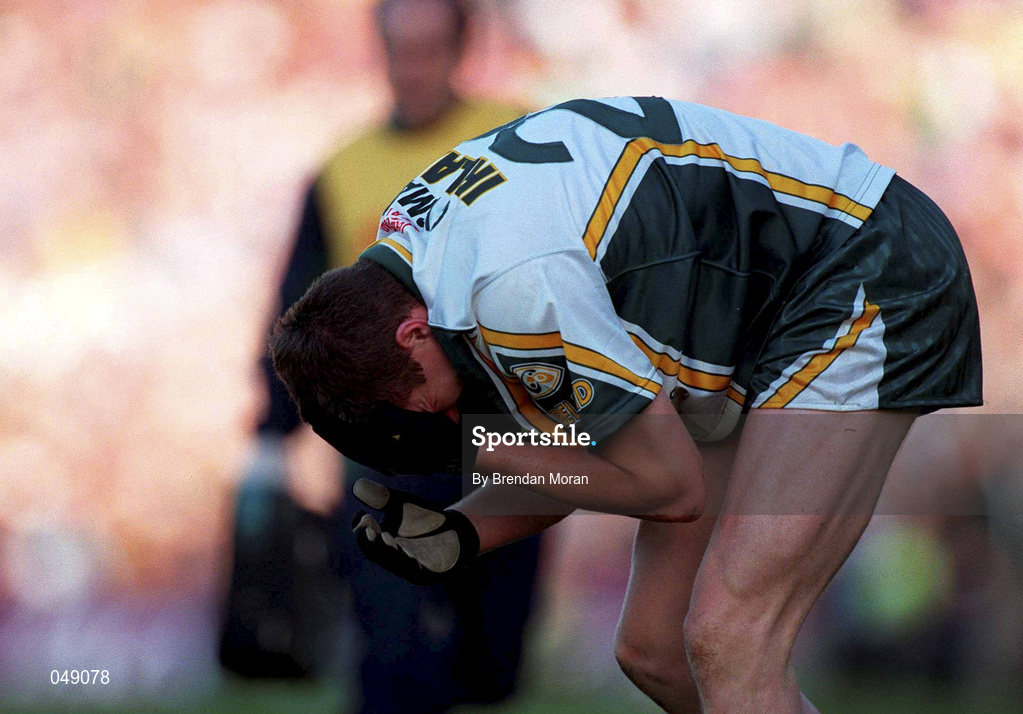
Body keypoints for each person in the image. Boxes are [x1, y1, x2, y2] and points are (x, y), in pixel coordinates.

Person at [269, 96, 983, 713]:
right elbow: (588, 453)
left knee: (730, 636)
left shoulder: (509, 285)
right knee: (656, 651)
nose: (440, 421)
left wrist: (492, 452)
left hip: (859, 265)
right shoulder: (420, 254)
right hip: (767, 315)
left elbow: (669, 487)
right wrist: (463, 532)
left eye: (414, 404)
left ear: (412, 334)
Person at [257, 0, 542, 711]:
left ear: (459, 48)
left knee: (489, 659)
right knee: (390, 649)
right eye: (398, 49)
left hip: (507, 435)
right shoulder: (343, 170)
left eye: (427, 48)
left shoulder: (515, 139)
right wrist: (271, 433)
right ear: (378, 52)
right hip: (390, 442)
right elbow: (299, 316)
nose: (411, 68)